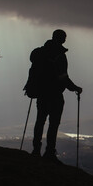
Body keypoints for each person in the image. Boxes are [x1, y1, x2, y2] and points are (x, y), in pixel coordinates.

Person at [31, 29, 82, 163]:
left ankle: (36, 150)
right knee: (53, 124)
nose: (65, 40)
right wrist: (75, 88)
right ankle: (49, 152)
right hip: (54, 95)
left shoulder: (41, 52)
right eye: (64, 37)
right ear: (61, 39)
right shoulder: (59, 55)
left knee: (40, 121)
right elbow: (63, 77)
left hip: (41, 93)